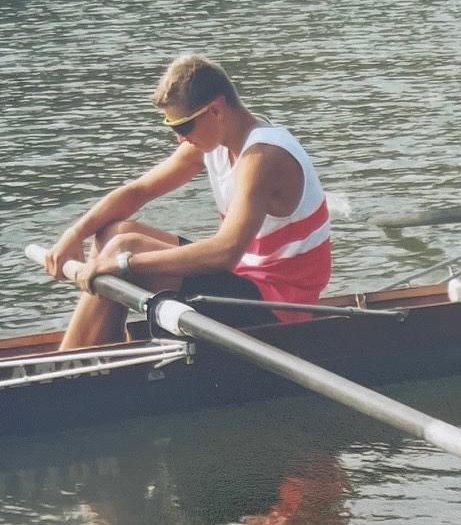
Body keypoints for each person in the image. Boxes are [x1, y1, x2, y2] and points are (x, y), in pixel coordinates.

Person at [43, 54, 333, 349]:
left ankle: (73, 362)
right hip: (240, 280)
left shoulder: (263, 157)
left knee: (123, 249)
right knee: (112, 233)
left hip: (276, 305)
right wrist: (74, 234)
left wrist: (124, 263)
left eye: (183, 127)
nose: (180, 139)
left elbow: (225, 253)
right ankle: (106, 344)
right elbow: (136, 192)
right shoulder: (216, 141)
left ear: (216, 110)